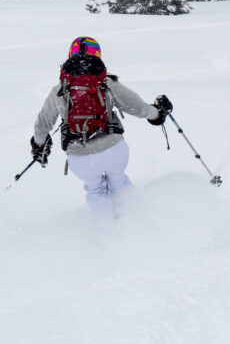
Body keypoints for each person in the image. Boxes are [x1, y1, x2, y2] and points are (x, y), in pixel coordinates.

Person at [30, 36, 172, 215]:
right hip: (113, 148)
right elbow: (139, 108)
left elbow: (42, 125)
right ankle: (135, 224)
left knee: (95, 190)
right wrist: (158, 113)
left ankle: (107, 232)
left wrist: (39, 145)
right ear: (97, 55)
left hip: (80, 156)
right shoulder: (106, 83)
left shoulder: (59, 90)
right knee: (119, 183)